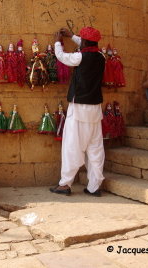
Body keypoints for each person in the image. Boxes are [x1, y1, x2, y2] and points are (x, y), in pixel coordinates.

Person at [49, 26, 105, 197]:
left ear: (86, 42)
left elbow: (61, 56)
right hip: (95, 109)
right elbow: (88, 45)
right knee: (95, 149)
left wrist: (58, 41)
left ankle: (65, 184)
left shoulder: (80, 57)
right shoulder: (102, 57)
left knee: (72, 146)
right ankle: (95, 186)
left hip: (79, 108)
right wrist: (72, 36)